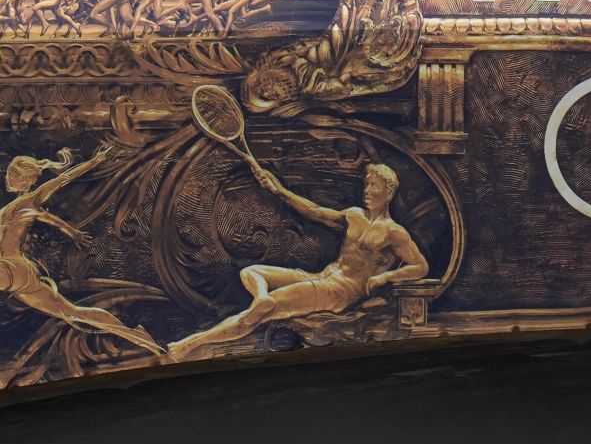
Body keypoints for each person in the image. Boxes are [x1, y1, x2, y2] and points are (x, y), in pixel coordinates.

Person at [167, 157, 429, 361]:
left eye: (375, 186)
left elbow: (420, 266)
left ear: (389, 193)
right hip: (322, 277)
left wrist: (385, 276)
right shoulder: (354, 215)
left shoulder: (395, 233)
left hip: (341, 292)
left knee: (261, 314)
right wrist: (278, 189)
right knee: (251, 272)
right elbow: (314, 211)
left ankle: (191, 343)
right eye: (367, 184)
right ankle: (261, 297)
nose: (368, 190)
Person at [0, 147, 164, 357]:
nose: (8, 178)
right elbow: (47, 217)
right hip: (19, 273)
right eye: (9, 174)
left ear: (25, 178)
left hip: (11, 267)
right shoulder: (10, 209)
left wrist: (96, 160)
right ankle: (135, 335)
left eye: (12, 174)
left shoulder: (32, 199)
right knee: (72, 312)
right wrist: (69, 230)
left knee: (72, 312)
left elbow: (66, 178)